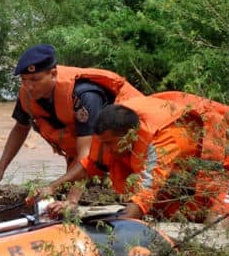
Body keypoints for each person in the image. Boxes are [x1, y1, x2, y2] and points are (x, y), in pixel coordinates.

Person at [0, 44, 143, 204]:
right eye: (24, 80)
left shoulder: (84, 96)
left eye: (35, 79)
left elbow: (87, 154)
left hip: (122, 152)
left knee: (118, 195)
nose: (29, 86)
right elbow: (21, 127)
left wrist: (72, 200)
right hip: (81, 155)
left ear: (53, 74)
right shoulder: (28, 93)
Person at [42, 93, 228, 225]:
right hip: (189, 173)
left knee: (215, 224)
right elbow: (90, 166)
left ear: (130, 135)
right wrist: (53, 186)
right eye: (104, 144)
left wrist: (119, 230)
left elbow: (146, 193)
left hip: (222, 164)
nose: (106, 150)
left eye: (110, 144)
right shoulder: (112, 133)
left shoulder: (162, 141)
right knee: (167, 215)